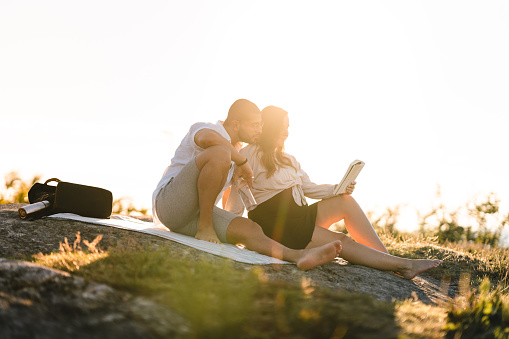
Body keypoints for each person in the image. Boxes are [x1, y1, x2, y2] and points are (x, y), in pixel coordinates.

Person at [225, 105, 442, 279]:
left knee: (345, 201)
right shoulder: (248, 155)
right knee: (341, 240)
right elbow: (237, 197)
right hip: (278, 224)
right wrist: (232, 227)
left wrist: (339, 188)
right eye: (283, 127)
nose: (287, 132)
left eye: (288, 127)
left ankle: (386, 258)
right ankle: (405, 266)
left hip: (298, 215)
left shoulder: (288, 158)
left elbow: (309, 188)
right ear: (271, 127)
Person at [152, 99, 342, 270]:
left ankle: (299, 256)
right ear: (236, 124)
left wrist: (233, 220)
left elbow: (229, 195)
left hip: (197, 214)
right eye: (255, 125)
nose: (260, 130)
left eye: (260, 125)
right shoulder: (206, 129)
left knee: (251, 228)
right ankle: (205, 227)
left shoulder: (238, 151)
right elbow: (208, 140)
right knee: (220, 153)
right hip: (170, 205)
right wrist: (242, 163)